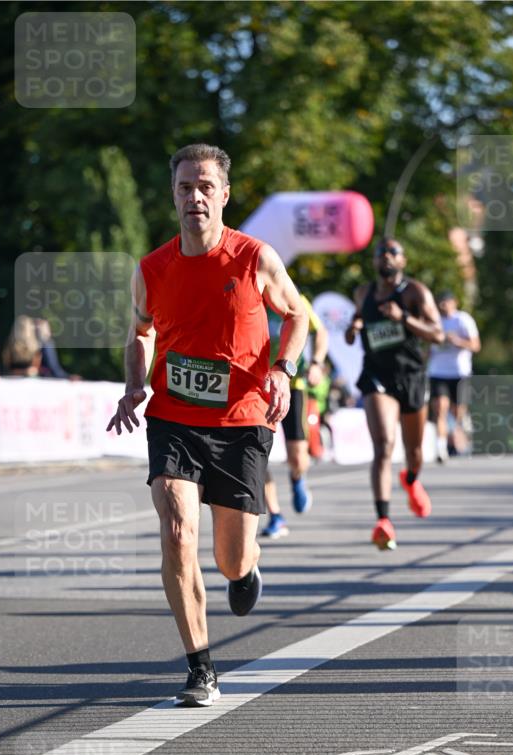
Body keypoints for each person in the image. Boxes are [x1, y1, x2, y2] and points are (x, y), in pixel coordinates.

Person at [106, 143, 308, 705]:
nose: (194, 197)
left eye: (204, 187)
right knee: (175, 531)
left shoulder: (254, 258)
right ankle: (200, 666)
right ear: (173, 195)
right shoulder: (152, 268)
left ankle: (245, 572)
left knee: (231, 557)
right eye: (183, 188)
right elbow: (141, 331)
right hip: (173, 416)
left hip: (243, 419)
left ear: (223, 194)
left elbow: (297, 315)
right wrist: (133, 386)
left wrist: (284, 371)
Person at [345, 237, 444, 550]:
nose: (385, 257)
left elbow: (438, 334)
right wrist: (354, 327)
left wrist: (404, 318)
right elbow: (356, 324)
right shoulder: (364, 293)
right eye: (380, 253)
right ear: (374, 262)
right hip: (377, 376)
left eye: (392, 252)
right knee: (384, 445)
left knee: (414, 452)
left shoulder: (414, 292)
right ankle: (383, 520)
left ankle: (412, 480)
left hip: (411, 376)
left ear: (403, 261)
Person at [261, 292, 329, 539]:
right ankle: (275, 515)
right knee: (257, 456)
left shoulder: (292, 295)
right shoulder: (247, 294)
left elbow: (320, 332)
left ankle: (297, 476)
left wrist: (317, 363)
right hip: (256, 385)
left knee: (297, 456)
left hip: (292, 384)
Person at [428, 291, 481, 462]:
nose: (443, 306)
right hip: (438, 371)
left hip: (459, 372)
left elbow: (475, 345)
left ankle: (460, 431)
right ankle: (441, 448)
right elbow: (427, 347)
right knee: (440, 408)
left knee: (457, 411)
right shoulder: (434, 321)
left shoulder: (463, 320)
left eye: (446, 302)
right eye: (440, 302)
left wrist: (457, 341)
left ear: (454, 302)